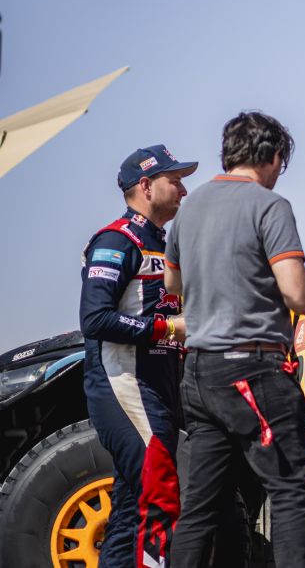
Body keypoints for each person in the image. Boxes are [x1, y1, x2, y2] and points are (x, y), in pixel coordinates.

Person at [168, 112, 305, 568]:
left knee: (200, 507)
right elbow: (297, 293)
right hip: (252, 369)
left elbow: (173, 283)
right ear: (273, 156)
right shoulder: (269, 206)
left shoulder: (190, 208)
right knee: (290, 491)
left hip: (199, 373)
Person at [80, 145, 196, 568]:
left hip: (158, 391)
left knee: (130, 514)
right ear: (146, 187)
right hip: (124, 386)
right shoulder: (116, 240)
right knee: (160, 494)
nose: (184, 189)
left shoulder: (163, 245)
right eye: (174, 180)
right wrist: (168, 327)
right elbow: (94, 319)